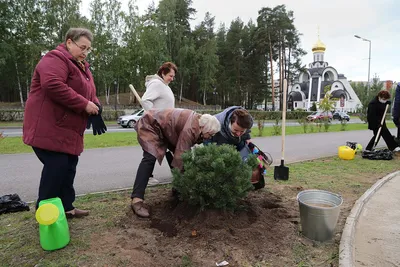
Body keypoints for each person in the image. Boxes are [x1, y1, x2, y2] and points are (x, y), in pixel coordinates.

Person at [23, 28, 107, 218]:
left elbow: (91, 94)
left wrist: (97, 107)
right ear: (69, 42)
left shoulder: (83, 67)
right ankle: (45, 215)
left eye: (89, 49)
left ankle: (67, 207)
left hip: (68, 130)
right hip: (49, 127)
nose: (85, 52)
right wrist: (84, 104)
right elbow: (52, 84)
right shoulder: (55, 58)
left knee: (69, 167)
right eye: (82, 47)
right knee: (56, 168)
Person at [130, 108, 221, 218]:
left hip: (165, 130)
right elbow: (181, 157)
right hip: (150, 125)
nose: (210, 138)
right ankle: (137, 200)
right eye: (210, 134)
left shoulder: (198, 122)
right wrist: (187, 182)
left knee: (172, 154)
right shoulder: (190, 129)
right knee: (150, 158)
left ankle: (177, 190)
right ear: (204, 128)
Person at [141, 62, 178, 183]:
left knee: (167, 149)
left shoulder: (164, 85)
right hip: (156, 125)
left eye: (173, 76)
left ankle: (178, 174)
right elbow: (145, 100)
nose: (172, 79)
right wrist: (155, 115)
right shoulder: (156, 84)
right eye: (170, 76)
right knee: (151, 152)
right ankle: (147, 177)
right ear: (163, 73)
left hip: (165, 124)